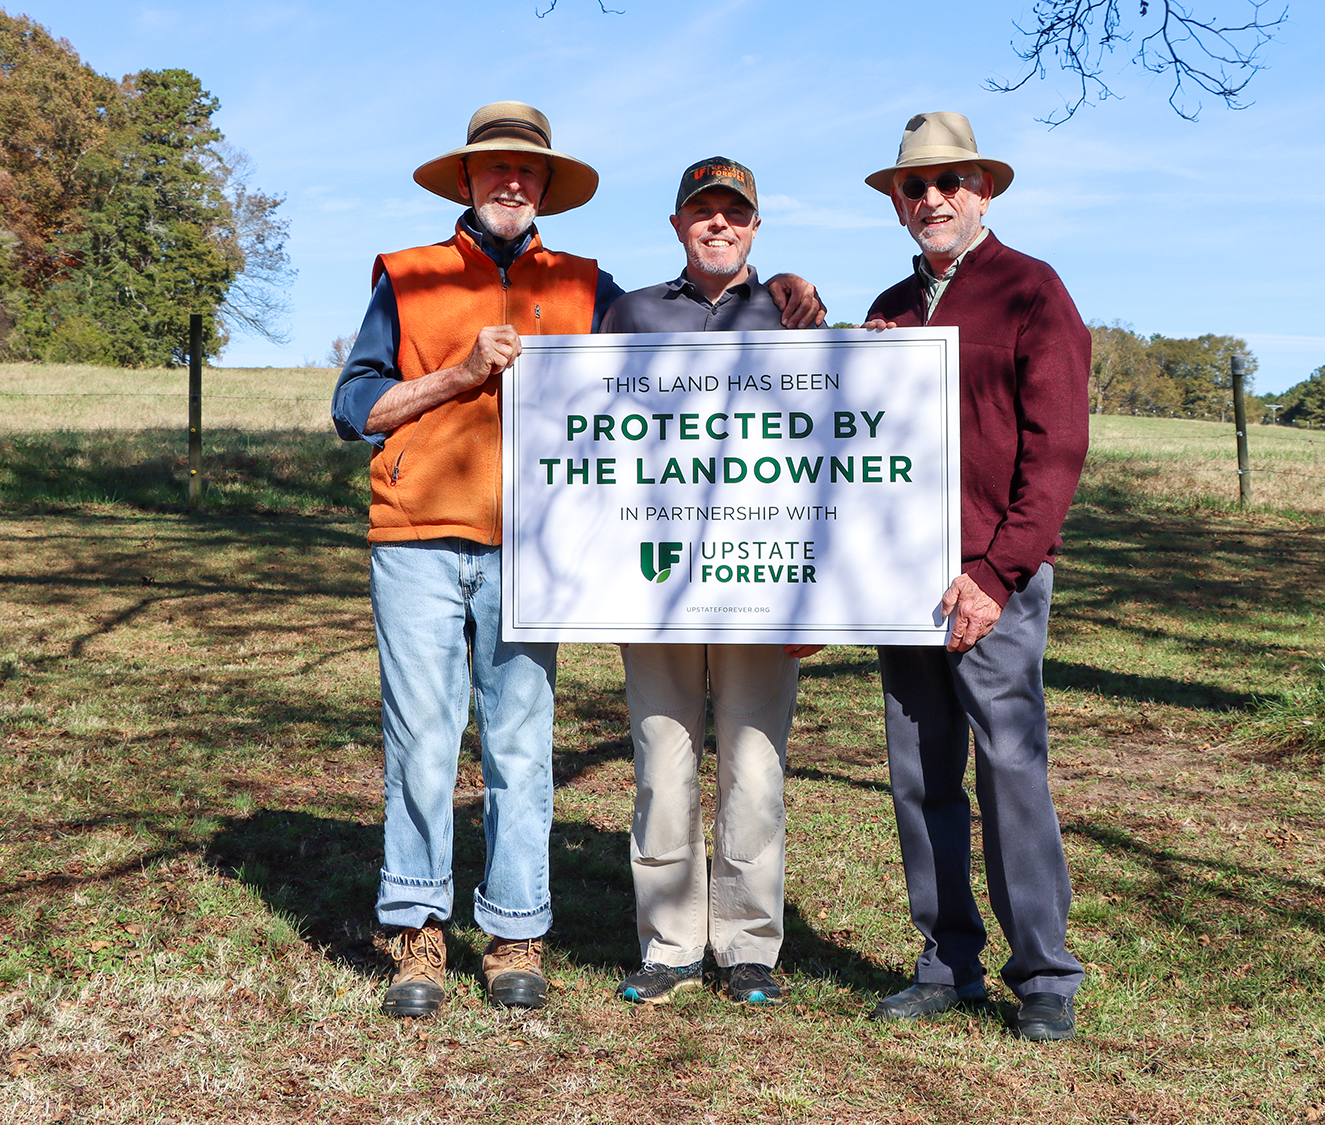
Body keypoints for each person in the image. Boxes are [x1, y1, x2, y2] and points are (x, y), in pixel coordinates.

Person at [330, 105, 823, 1019]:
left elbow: (664, 385)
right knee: (422, 743)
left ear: (546, 186)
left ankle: (517, 929)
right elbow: (354, 404)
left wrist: (784, 293)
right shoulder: (408, 276)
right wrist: (458, 375)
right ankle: (417, 931)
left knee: (522, 746)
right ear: (467, 181)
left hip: (536, 552)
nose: (512, 182)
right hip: (417, 538)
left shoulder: (589, 288)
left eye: (528, 171)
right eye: (494, 169)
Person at [859, 111, 1091, 1042]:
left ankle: (1043, 973)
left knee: (1008, 769)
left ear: (982, 191)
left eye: (950, 182)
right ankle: (946, 959)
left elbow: (1058, 452)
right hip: (901, 580)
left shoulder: (1032, 292)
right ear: (898, 204)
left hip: (993, 579)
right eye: (915, 187)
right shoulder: (891, 306)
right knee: (920, 775)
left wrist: (997, 571)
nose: (933, 198)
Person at [599, 157, 824, 1007]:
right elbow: (593, 441)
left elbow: (825, 447)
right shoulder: (632, 313)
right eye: (704, 212)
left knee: (755, 767)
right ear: (678, 225)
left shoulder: (793, 310)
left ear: (757, 225)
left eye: (736, 212)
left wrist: (818, 594)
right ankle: (669, 942)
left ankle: (747, 943)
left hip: (762, 581)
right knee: (663, 761)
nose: (719, 224)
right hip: (653, 578)